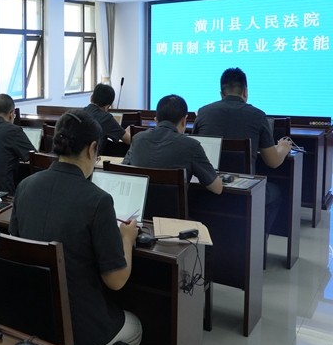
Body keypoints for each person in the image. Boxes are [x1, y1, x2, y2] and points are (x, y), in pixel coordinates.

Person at [10, 110, 142, 345]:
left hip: (32, 321)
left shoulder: (25, 186)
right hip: (79, 334)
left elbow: (17, 245)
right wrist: (127, 238)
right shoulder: (98, 200)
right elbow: (116, 281)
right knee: (135, 327)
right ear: (92, 149)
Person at [192, 67, 292, 255]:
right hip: (243, 195)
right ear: (245, 92)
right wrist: (283, 147)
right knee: (276, 192)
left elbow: (194, 149)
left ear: (221, 93)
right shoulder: (257, 115)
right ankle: (256, 246)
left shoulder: (203, 112)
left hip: (206, 190)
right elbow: (272, 162)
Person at [123, 94, 223, 194]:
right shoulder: (191, 145)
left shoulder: (138, 139)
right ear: (184, 121)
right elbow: (217, 188)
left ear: (156, 120)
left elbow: (122, 170)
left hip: (139, 203)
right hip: (172, 204)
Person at [83, 83, 131, 150]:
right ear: (107, 107)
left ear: (91, 98)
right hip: (95, 155)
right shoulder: (106, 118)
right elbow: (129, 140)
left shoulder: (80, 113)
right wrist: (127, 130)